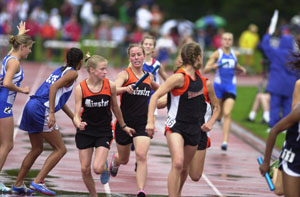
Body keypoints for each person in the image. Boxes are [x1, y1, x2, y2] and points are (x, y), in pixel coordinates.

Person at [11, 48, 83, 196]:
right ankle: (38, 181)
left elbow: (60, 101)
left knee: (36, 149)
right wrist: (51, 113)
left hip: (31, 105)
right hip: (41, 109)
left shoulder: (60, 70)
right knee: (60, 149)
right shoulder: (73, 73)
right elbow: (53, 88)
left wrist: (74, 118)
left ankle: (18, 184)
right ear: (80, 62)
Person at [146, 42, 210, 196]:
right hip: (176, 126)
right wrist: (150, 121)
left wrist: (211, 120)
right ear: (198, 57)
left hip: (194, 128)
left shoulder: (202, 80)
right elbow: (155, 97)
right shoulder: (178, 78)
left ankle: (177, 193)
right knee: (178, 163)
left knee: (185, 169)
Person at [73, 54, 135, 197]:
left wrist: (123, 125)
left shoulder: (110, 85)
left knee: (98, 169)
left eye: (106, 69)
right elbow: (76, 114)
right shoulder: (81, 88)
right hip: (86, 131)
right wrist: (78, 123)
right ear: (92, 70)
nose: (105, 72)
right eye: (102, 69)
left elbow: (115, 108)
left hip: (103, 131)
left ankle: (104, 165)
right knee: (84, 169)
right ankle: (94, 194)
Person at [109, 44, 159, 197]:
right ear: (129, 58)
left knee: (141, 155)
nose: (136, 58)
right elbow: (113, 90)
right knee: (124, 159)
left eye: (139, 54)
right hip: (124, 123)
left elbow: (160, 90)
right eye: (133, 55)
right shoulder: (125, 74)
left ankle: (141, 191)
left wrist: (168, 97)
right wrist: (126, 88)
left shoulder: (148, 76)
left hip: (142, 123)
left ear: (144, 56)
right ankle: (116, 161)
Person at [259, 39, 300, 197]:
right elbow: (278, 127)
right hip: (294, 151)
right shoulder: (298, 86)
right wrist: (266, 162)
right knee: (280, 190)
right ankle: (279, 168)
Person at [0, 21, 33, 193]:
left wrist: (20, 31)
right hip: (3, 105)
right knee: (7, 145)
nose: (30, 51)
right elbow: (6, 83)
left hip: (2, 103)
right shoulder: (14, 62)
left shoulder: (9, 55)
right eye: (29, 48)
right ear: (22, 47)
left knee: (3, 144)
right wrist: (22, 89)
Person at [203, 32, 246, 151]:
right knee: (218, 113)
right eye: (225, 39)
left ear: (232, 41)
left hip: (230, 87)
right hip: (218, 87)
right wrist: (214, 66)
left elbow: (235, 65)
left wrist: (241, 69)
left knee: (227, 113)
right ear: (221, 41)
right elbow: (205, 69)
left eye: (229, 39)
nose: (227, 41)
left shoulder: (235, 54)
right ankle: (217, 119)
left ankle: (225, 141)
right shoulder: (217, 54)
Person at [260, 31, 297, 132]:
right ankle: (285, 127)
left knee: (275, 106)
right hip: (290, 85)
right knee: (288, 107)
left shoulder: (276, 53)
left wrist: (267, 35)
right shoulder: (295, 56)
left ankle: (273, 126)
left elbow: (265, 46)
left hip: (276, 84)